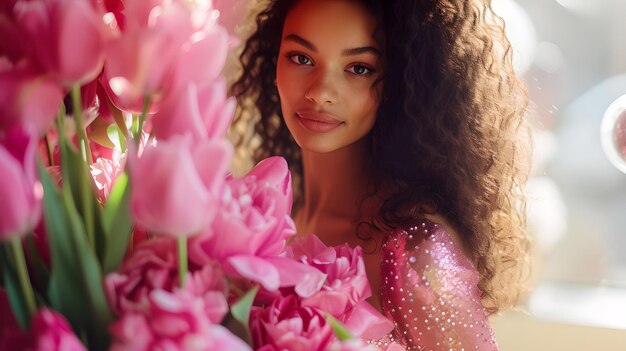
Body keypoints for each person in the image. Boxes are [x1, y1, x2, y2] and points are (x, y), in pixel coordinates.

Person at [230, 0, 531, 349]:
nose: (320, 92)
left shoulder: (414, 252)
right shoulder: (260, 221)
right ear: (273, 59)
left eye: (358, 68)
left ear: (400, 81)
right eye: (301, 58)